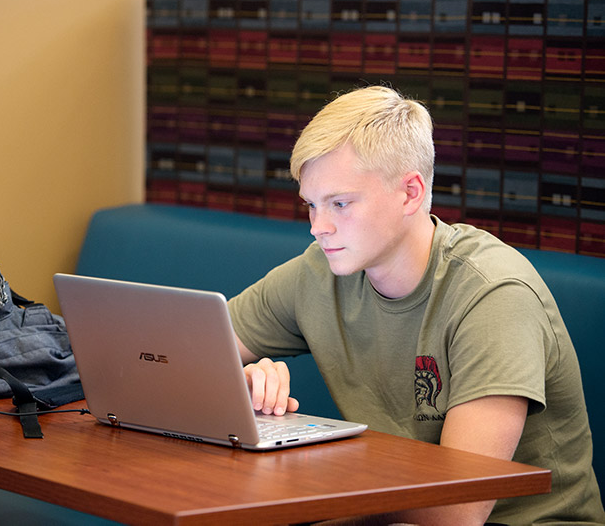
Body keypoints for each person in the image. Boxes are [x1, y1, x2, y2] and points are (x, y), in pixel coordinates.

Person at [227, 86, 605, 525]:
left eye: (340, 204)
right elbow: (174, 362)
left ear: (410, 193)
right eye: (311, 205)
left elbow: (455, 511)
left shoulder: (492, 294)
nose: (318, 227)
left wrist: (301, 477)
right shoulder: (320, 271)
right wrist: (239, 385)